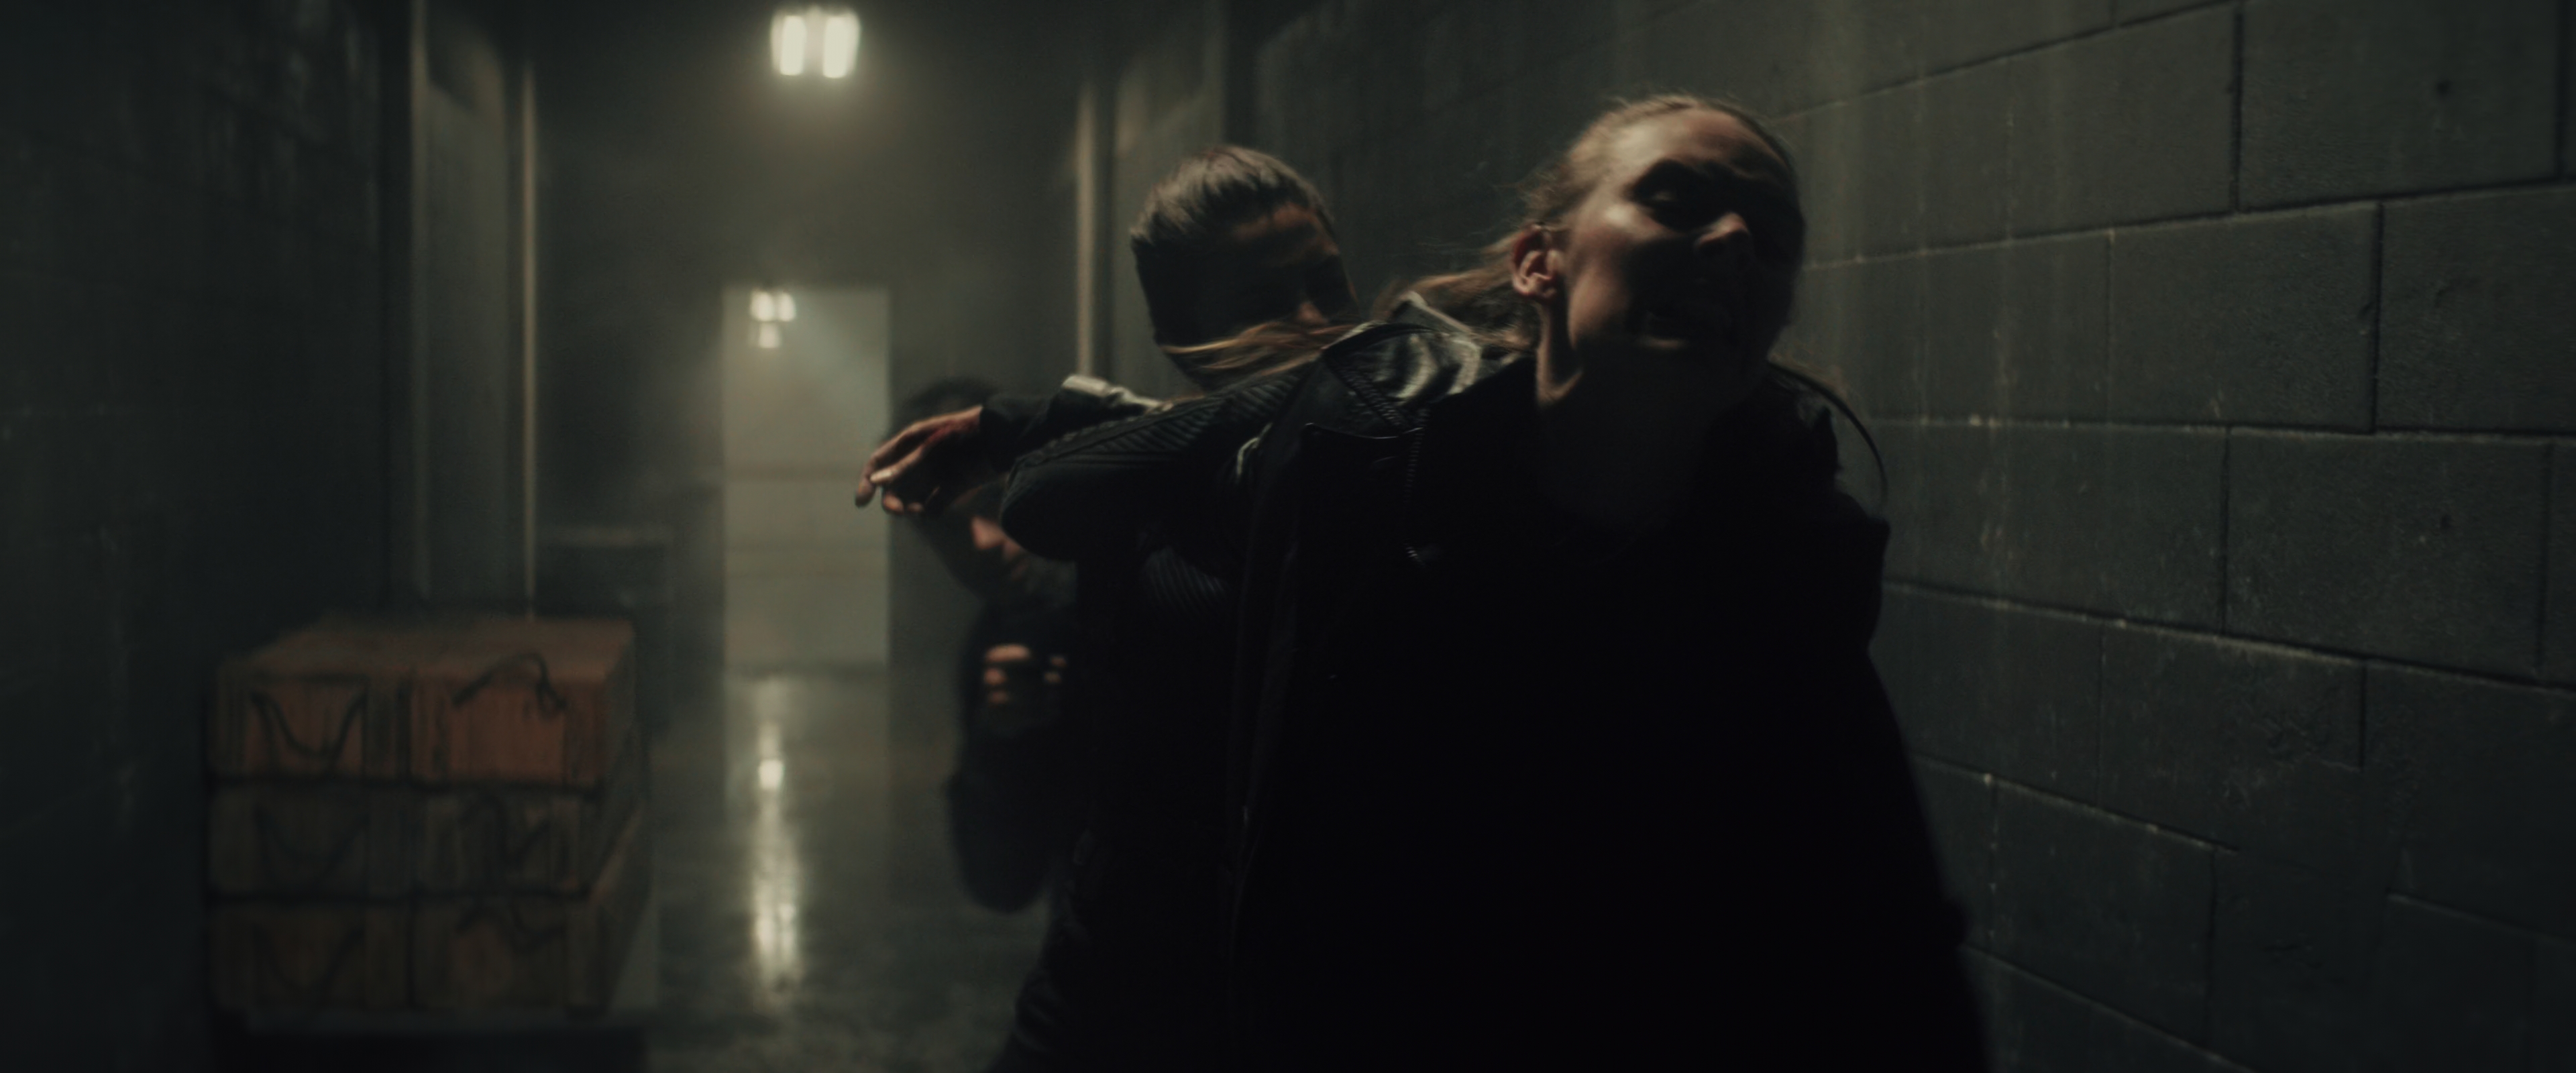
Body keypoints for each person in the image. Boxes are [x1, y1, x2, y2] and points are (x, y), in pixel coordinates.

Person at [989, 95, 1984, 1069]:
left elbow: (1891, 930)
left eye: (1770, 235)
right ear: (1538, 262)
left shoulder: (1788, 558)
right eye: (1675, 201)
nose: (1731, 240)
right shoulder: (1375, 463)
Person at [867, 146, 1362, 1073]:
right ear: (1185, 337)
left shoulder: (1391, 451)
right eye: (1264, 302)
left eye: (1327, 286)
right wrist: (1010, 741)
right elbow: (1009, 879)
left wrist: (1023, 425)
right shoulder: (1105, 565)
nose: (1313, 324)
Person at [890, 376, 1091, 916]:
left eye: (995, 503)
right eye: (950, 530)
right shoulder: (995, 649)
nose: (981, 543)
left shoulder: (1144, 573)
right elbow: (1002, 884)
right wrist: (1001, 744)